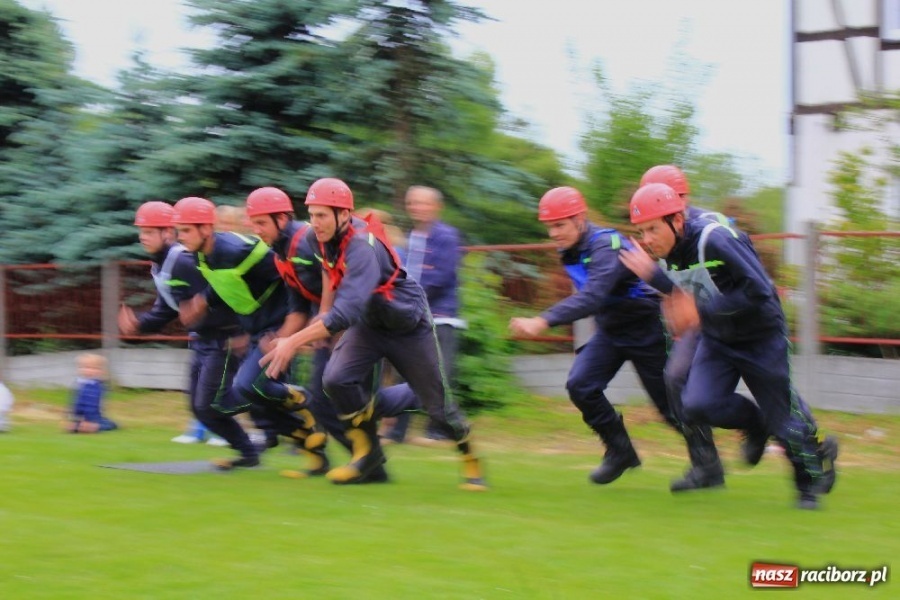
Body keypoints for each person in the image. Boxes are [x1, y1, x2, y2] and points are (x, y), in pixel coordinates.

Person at [620, 182, 838, 509]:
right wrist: (656, 280)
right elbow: (688, 287)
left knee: (783, 419)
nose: (647, 239)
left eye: (652, 229)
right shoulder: (667, 254)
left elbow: (760, 291)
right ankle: (756, 423)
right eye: (641, 231)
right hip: (719, 338)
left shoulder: (715, 239)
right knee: (697, 404)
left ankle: (807, 484)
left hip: (761, 338)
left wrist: (701, 311)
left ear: (676, 220)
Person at [260, 178, 486, 490]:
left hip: (407, 325)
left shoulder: (362, 246)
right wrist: (322, 314)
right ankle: (367, 456)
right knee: (335, 379)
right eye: (311, 214)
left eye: (322, 215)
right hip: (369, 324)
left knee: (437, 407)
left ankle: (470, 456)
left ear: (343, 214)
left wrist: (293, 341)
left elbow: (346, 312)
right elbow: (328, 272)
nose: (315, 222)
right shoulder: (316, 238)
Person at [509, 186, 724, 491]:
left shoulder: (606, 244)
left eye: (559, 225)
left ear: (580, 219)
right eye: (549, 227)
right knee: (581, 385)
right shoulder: (568, 248)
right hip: (610, 331)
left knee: (669, 407)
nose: (554, 233)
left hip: (646, 329)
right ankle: (620, 451)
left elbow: (593, 296)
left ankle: (708, 466)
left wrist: (542, 320)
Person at [172, 196, 326, 472]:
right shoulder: (202, 254)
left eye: (185, 230)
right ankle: (314, 452)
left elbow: (288, 275)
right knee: (259, 401)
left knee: (248, 387)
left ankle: (302, 398)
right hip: (255, 329)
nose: (179, 237)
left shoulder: (237, 250)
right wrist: (203, 301)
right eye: (178, 230)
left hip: (276, 328)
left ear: (205, 228)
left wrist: (294, 329)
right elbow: (226, 281)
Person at [244, 186, 387, 482]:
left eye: (261, 223)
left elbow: (334, 273)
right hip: (328, 327)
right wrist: (283, 340)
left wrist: (325, 316)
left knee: (346, 396)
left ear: (282, 219)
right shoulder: (281, 255)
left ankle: (370, 461)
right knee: (324, 401)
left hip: (358, 324)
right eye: (252, 223)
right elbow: (297, 308)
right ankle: (367, 463)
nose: (255, 230)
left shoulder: (306, 241)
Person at [639, 165, 770, 478]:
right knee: (676, 379)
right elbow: (678, 284)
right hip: (702, 319)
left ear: (683, 197)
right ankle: (706, 465)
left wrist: (662, 283)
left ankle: (766, 427)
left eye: (672, 196)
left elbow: (732, 278)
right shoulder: (660, 231)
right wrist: (665, 292)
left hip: (734, 316)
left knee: (775, 392)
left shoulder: (709, 226)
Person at [119, 200, 248, 453]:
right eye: (141, 231)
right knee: (198, 408)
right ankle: (248, 452)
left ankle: (272, 404)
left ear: (167, 232)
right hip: (201, 340)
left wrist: (242, 332)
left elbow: (226, 292)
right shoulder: (161, 265)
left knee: (211, 404)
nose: (142, 237)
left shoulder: (184, 261)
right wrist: (139, 325)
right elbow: (167, 309)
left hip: (223, 340)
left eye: (149, 232)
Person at [378, 186, 464, 445]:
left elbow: (442, 276)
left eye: (423, 203)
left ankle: (440, 430)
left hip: (440, 316)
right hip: (413, 316)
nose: (417, 208)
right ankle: (397, 432)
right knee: (405, 373)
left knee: (438, 375)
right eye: (413, 203)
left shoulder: (447, 236)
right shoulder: (411, 237)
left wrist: (409, 299)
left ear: (437, 207)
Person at [64, 353, 117, 433]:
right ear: (79, 369)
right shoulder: (86, 384)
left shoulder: (91, 385)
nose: (89, 370)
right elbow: (76, 401)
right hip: (86, 416)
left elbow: (92, 402)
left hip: (87, 416)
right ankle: (89, 426)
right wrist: (72, 413)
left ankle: (81, 426)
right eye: (85, 367)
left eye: (93, 368)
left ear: (101, 371)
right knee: (110, 424)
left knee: (109, 423)